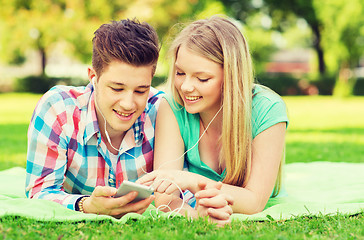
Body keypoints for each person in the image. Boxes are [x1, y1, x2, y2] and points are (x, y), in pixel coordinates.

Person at [138, 16, 289, 216]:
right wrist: (197, 216)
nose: (186, 87)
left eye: (202, 78)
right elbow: (166, 199)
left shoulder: (268, 109)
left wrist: (192, 181)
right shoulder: (172, 106)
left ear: (231, 76)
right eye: (180, 73)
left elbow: (254, 201)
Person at [25, 19, 163, 218]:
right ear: (93, 77)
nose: (128, 103)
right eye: (117, 88)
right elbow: (39, 192)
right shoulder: (58, 109)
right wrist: (86, 205)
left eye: (141, 90)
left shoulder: (160, 110)